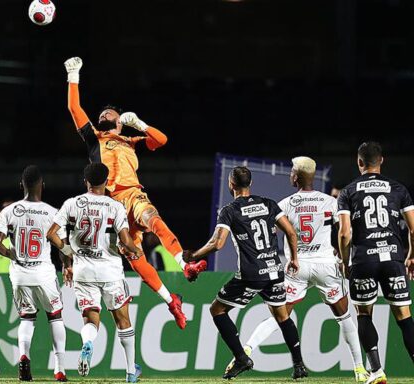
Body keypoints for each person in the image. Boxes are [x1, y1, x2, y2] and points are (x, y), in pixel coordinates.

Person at [63, 57, 207, 328]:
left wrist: (140, 124)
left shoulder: (131, 141)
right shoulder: (94, 137)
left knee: (153, 217)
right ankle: (170, 300)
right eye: (101, 115)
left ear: (120, 121)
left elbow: (162, 140)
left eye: (108, 114)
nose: (103, 116)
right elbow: (73, 107)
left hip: (131, 195)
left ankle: (184, 263)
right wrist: (73, 76)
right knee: (136, 259)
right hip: (109, 208)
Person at [232, 157, 368, 382]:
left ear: (296, 177)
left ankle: (246, 350)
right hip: (326, 265)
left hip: (298, 266)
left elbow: (269, 234)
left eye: (292, 171)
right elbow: (346, 231)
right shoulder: (329, 202)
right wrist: (345, 258)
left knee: (280, 315)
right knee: (344, 316)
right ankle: (360, 369)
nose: (290, 175)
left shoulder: (284, 204)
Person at [183, 166, 307, 380]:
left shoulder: (230, 210)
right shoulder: (268, 204)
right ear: (250, 184)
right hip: (274, 270)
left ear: (231, 185)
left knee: (217, 310)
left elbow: (217, 243)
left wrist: (194, 256)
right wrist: (294, 258)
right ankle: (299, 365)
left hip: (251, 274)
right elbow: (290, 231)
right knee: (282, 316)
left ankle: (241, 357)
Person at [47, 163, 142, 382]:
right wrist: (135, 250)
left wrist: (69, 253)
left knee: (90, 319)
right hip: (110, 271)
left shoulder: (72, 204)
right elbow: (126, 240)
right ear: (107, 182)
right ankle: (130, 372)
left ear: (86, 181)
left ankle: (88, 344)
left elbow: (51, 234)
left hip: (83, 270)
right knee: (123, 320)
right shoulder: (114, 206)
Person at [338, 142, 414, 384]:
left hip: (364, 258)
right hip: (393, 257)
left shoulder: (348, 191)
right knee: (403, 315)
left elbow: (344, 233)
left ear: (359, 162)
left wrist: (345, 259)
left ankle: (377, 371)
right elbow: (413, 229)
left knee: (363, 313)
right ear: (381, 160)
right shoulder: (398, 189)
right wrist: (411, 255)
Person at [0, 166, 67, 382]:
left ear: (21, 186)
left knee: (26, 318)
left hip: (20, 274)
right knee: (55, 316)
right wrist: (67, 265)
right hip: (43, 272)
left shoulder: (9, 211)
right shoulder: (53, 212)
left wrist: (12, 255)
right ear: (42, 185)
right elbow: (61, 245)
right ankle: (59, 369)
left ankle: (24, 356)